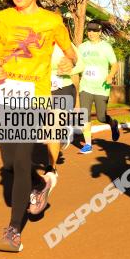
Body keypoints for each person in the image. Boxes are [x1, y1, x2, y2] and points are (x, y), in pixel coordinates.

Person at [0, 0, 77, 252]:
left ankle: (13, 230)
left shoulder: (52, 21)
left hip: (34, 96)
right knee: (10, 164)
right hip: (4, 95)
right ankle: (40, 184)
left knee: (23, 160)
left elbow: (71, 52)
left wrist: (68, 61)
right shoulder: (1, 19)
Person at [77, 21, 121, 153]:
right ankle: (88, 144)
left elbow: (114, 64)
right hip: (85, 86)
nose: (91, 33)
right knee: (85, 115)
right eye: (89, 30)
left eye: (94, 31)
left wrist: (110, 75)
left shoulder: (106, 47)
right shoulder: (82, 47)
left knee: (101, 117)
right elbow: (78, 64)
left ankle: (113, 124)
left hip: (101, 87)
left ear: (100, 32)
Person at [46, 40, 81, 170]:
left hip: (63, 88)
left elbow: (80, 65)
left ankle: (51, 167)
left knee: (53, 126)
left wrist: (68, 69)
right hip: (42, 89)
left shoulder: (64, 42)